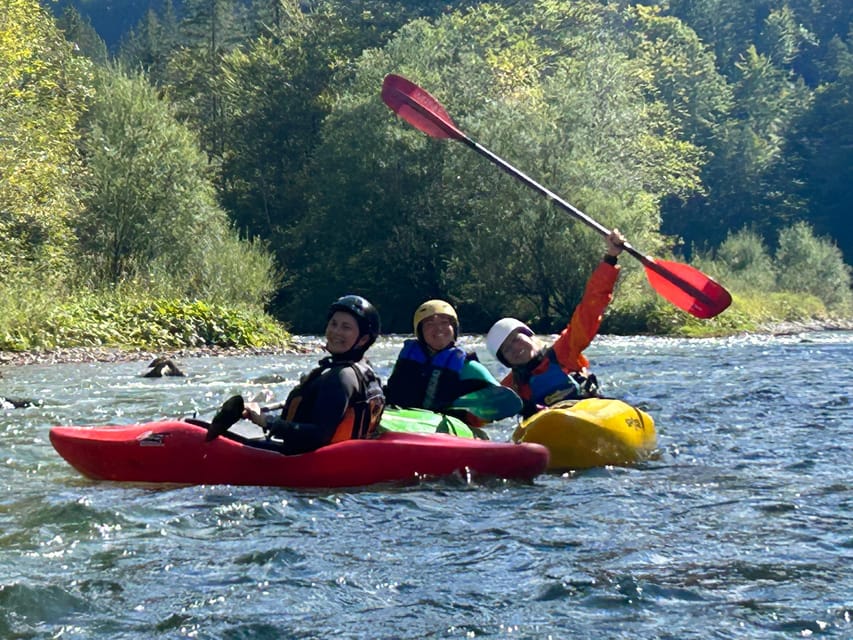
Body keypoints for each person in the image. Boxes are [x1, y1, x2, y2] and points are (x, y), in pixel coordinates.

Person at [485, 229, 626, 418]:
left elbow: (590, 308)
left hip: (590, 417)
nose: (515, 348)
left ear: (530, 336)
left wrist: (610, 259)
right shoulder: (511, 388)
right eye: (508, 350)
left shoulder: (565, 350)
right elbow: (480, 413)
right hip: (552, 432)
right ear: (507, 362)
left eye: (516, 339)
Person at [239, 295, 386, 454]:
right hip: (344, 458)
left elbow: (319, 435)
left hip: (307, 462)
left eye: (346, 327)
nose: (336, 331)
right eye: (333, 324)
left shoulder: (341, 377)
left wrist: (268, 422)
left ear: (363, 339)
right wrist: (262, 413)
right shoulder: (364, 369)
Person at [384, 299, 513, 426]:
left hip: (449, 430)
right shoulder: (408, 361)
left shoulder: (470, 368)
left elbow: (503, 402)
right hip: (403, 422)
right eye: (429, 324)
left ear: (454, 329)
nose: (438, 328)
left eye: (445, 323)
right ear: (420, 332)